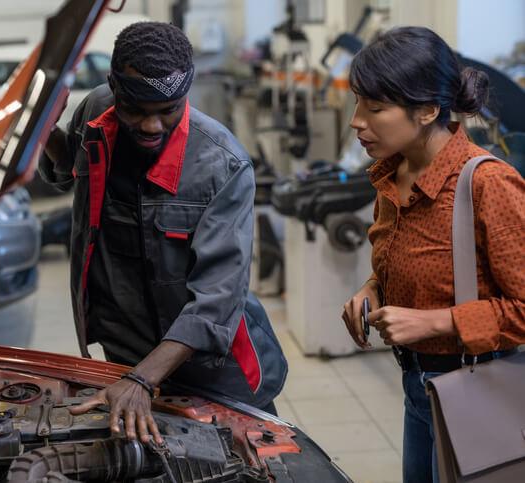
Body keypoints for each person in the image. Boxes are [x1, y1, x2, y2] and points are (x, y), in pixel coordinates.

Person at [40, 22, 287, 445]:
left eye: (168, 110)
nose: (152, 125)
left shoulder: (222, 166)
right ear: (114, 89)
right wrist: (43, 129)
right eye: (135, 109)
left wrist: (143, 380)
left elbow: (216, 303)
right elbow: (67, 170)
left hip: (210, 369)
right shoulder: (96, 111)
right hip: (125, 349)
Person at [341, 27, 525, 482]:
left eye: (375, 108)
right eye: (358, 102)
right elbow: (398, 258)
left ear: (426, 110)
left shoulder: (488, 184)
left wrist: (435, 322)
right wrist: (371, 288)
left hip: (476, 388)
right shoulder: (392, 173)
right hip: (419, 386)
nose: (356, 121)